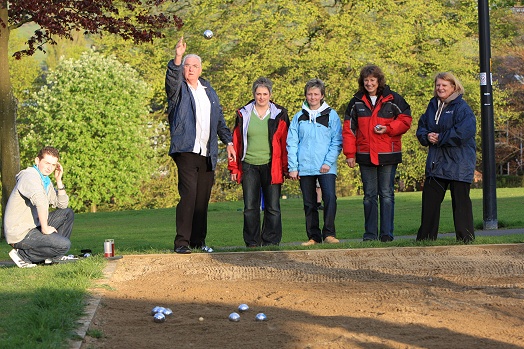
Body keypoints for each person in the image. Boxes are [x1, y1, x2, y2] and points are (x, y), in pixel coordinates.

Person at [165, 36, 236, 254]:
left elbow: (220, 121)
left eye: (194, 66)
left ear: (201, 69)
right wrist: (178, 56)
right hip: (186, 150)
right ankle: (182, 243)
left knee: (202, 199)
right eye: (187, 66)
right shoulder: (178, 91)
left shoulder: (209, 91)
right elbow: (172, 78)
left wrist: (229, 142)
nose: (190, 69)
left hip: (208, 153)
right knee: (189, 196)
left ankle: (198, 241)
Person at [343, 65, 412, 242]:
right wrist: (350, 154)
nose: (369, 83)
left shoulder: (393, 99)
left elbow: (405, 120)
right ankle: (370, 234)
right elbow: (349, 129)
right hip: (365, 154)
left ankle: (387, 234)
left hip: (388, 154)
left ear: (378, 80)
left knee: (387, 194)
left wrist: (388, 128)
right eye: (366, 80)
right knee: (369, 195)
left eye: (372, 80)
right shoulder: (356, 101)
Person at [228, 77, 290, 247]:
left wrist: (287, 168)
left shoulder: (280, 114)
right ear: (253, 94)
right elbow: (236, 142)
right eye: (258, 94)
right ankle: (252, 242)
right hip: (249, 165)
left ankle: (271, 241)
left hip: (272, 166)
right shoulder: (244, 114)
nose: (261, 97)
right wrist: (233, 168)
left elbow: (285, 143)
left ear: (270, 94)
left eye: (265, 94)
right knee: (250, 207)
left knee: (273, 207)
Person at [416, 72, 476, 243]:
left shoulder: (462, 108)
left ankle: (466, 240)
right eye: (438, 85)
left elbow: (465, 131)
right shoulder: (432, 106)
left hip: (459, 163)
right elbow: (421, 128)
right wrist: (426, 136)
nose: (440, 88)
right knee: (429, 204)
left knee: (461, 204)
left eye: (444, 85)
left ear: (454, 87)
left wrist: (441, 138)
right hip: (436, 163)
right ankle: (425, 240)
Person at [287, 78, 342, 246]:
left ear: (322, 95)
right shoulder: (299, 116)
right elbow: (292, 142)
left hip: (326, 166)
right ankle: (314, 236)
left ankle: (329, 234)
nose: (312, 97)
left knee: (330, 198)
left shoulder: (331, 115)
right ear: (305, 95)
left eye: (316, 94)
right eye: (309, 94)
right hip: (305, 167)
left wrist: (328, 162)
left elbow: (337, 141)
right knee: (309, 203)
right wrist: (293, 167)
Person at [5, 146, 75, 268]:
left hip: (33, 225)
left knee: (67, 213)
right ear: (37, 161)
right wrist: (45, 228)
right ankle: (23, 255)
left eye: (53, 165)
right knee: (64, 245)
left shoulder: (45, 180)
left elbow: (62, 205)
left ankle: (55, 256)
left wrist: (59, 181)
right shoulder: (29, 176)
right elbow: (41, 201)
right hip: (20, 232)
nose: (49, 168)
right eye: (47, 163)